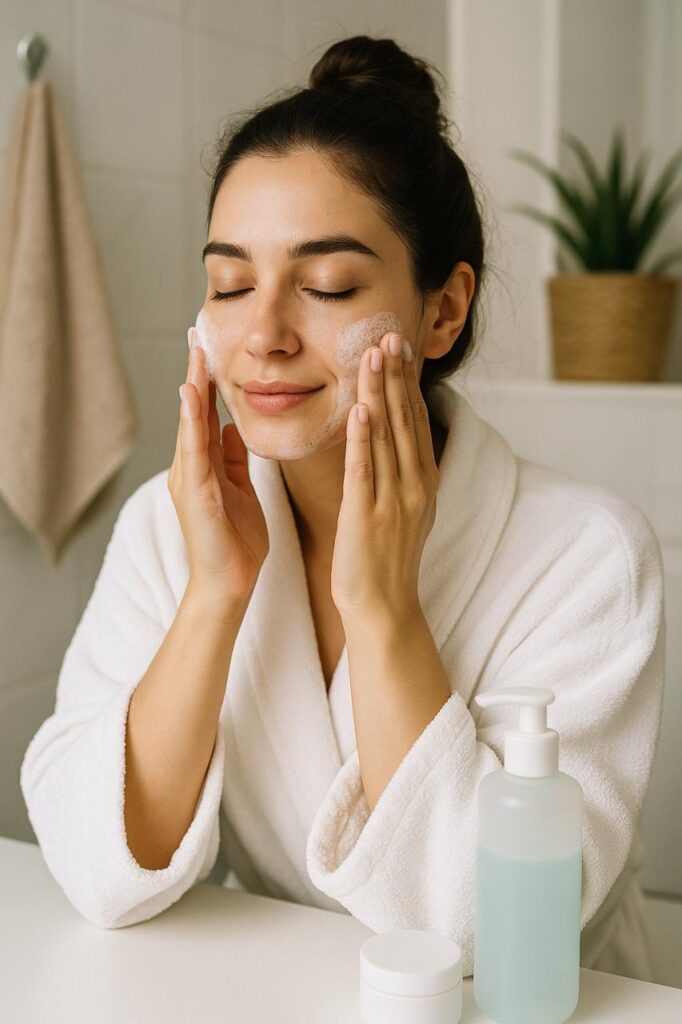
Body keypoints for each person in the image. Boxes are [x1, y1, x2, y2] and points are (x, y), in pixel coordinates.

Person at [20, 35, 665, 983]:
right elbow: (95, 869)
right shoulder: (172, 524)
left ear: (442, 312)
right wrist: (213, 592)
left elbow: (488, 942)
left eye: (326, 286)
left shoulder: (584, 556)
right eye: (230, 284)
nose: (264, 335)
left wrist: (383, 607)